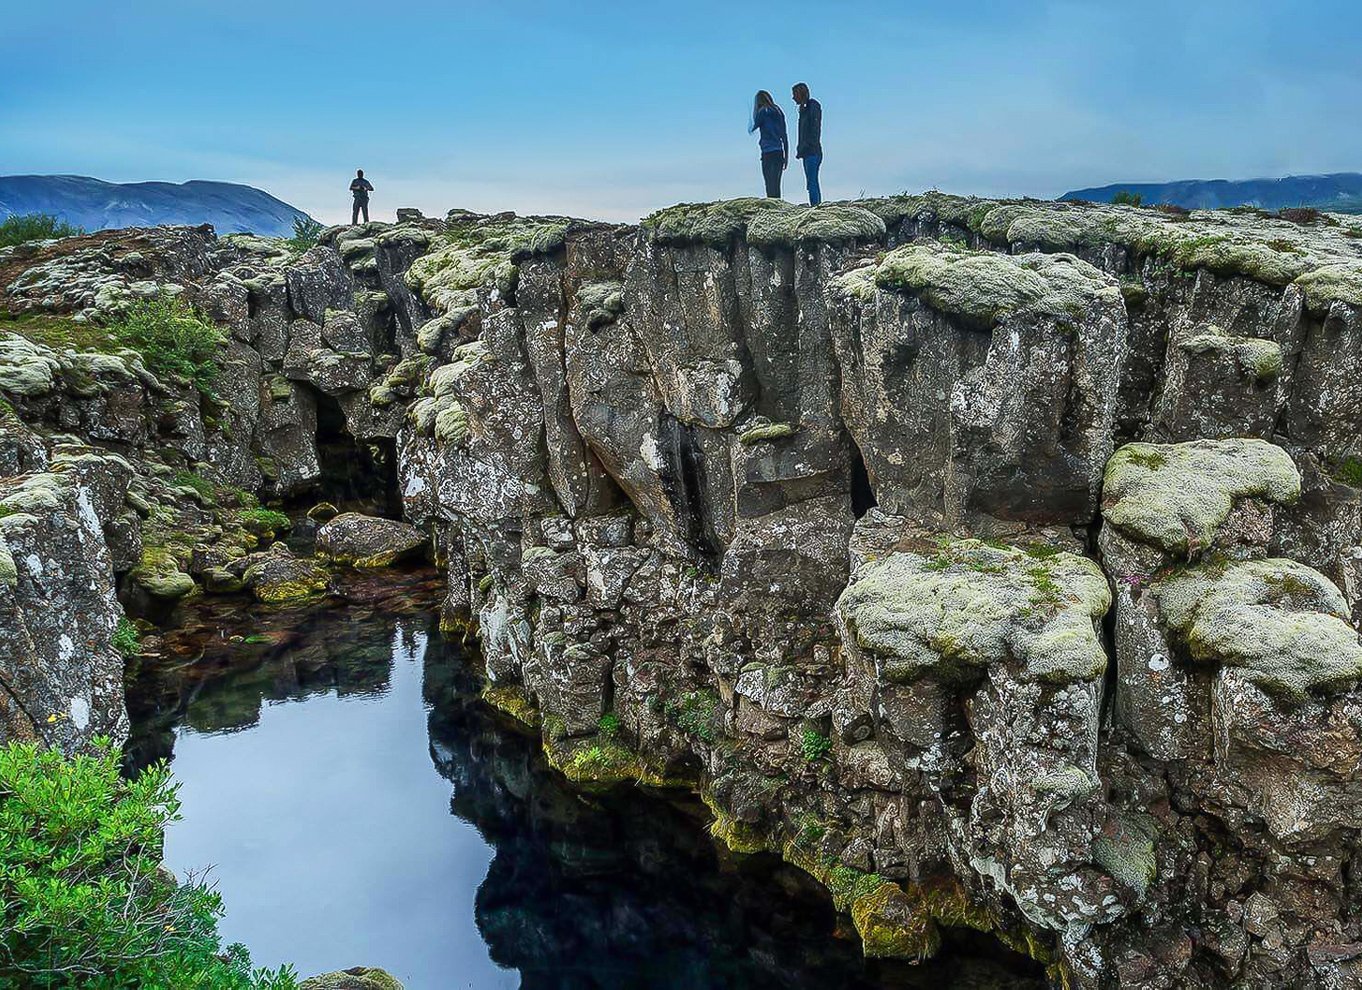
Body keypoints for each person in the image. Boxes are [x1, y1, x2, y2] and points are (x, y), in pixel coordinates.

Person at [748, 91, 788, 199]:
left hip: (767, 152)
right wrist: (786, 156)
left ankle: (772, 208)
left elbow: (752, 128)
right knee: (777, 184)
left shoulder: (762, 112)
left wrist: (753, 114)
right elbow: (784, 135)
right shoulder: (778, 111)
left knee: (769, 184)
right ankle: (778, 206)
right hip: (779, 151)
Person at [792, 83, 822, 206]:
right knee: (811, 182)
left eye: (795, 94)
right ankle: (815, 204)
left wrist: (808, 144)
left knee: (812, 181)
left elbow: (815, 128)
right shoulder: (803, 110)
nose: (793, 98)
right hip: (807, 152)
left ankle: (816, 205)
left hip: (812, 151)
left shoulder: (812, 106)